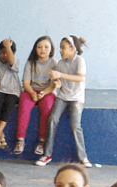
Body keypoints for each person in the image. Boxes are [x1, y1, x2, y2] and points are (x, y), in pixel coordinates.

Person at [37, 36, 90, 167]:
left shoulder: (79, 61)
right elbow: (56, 83)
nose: (61, 50)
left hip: (76, 98)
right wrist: (50, 88)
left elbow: (79, 78)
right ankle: (47, 154)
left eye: (63, 48)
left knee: (75, 125)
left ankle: (83, 157)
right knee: (52, 120)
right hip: (62, 96)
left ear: (72, 49)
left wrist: (60, 75)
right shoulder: (60, 64)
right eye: (60, 47)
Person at [13, 36, 57, 155]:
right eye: (39, 47)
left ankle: (42, 142)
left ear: (51, 49)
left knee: (47, 108)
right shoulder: (30, 63)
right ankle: (20, 139)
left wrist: (44, 93)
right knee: (24, 108)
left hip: (46, 92)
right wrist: (32, 92)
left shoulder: (54, 63)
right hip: (31, 91)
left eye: (46, 47)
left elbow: (53, 84)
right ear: (35, 49)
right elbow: (26, 83)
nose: (43, 49)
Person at [0, 39, 20, 149]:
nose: (5, 55)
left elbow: (11, 60)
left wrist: (8, 46)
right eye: (2, 52)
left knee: (9, 105)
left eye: (7, 52)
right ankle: (0, 135)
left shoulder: (16, 61)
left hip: (13, 91)